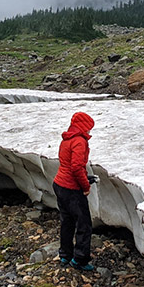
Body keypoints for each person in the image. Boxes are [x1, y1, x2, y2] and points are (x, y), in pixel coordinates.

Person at [53, 110, 97, 271]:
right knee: (84, 224)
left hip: (59, 184)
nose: (90, 131)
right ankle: (80, 259)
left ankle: (65, 255)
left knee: (67, 221)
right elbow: (76, 167)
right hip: (71, 188)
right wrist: (85, 187)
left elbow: (67, 164)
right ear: (84, 127)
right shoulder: (79, 141)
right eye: (89, 128)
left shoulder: (67, 139)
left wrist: (86, 178)